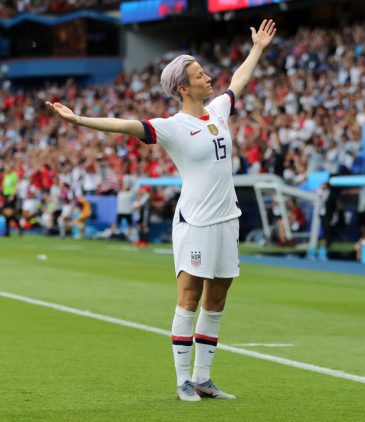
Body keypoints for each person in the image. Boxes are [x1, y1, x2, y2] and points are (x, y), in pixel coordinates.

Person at [46, 19, 276, 401]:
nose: (209, 78)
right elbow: (124, 125)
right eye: (200, 75)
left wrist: (257, 49)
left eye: (205, 72)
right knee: (189, 298)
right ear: (183, 88)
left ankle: (203, 378)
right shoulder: (172, 127)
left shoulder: (218, 110)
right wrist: (78, 119)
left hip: (227, 219)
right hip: (195, 222)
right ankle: (182, 380)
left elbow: (239, 81)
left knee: (217, 302)